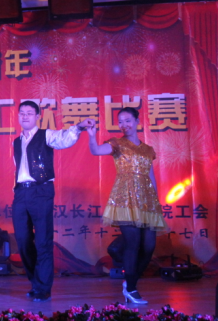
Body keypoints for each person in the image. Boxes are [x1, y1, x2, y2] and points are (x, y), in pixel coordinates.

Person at [12, 101, 94, 302]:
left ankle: (43, 287)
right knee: (22, 240)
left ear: (37, 116)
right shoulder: (16, 141)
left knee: (43, 240)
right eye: (22, 113)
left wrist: (79, 127)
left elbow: (64, 139)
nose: (25, 116)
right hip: (21, 193)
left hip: (41, 191)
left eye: (29, 113)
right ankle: (35, 281)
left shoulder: (46, 135)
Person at [85, 107, 168, 304]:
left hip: (147, 201)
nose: (124, 125)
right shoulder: (117, 143)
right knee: (133, 243)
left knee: (148, 246)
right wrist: (91, 135)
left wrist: (155, 203)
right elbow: (95, 150)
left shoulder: (148, 150)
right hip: (124, 199)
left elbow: (150, 176)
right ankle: (131, 289)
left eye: (128, 120)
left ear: (137, 121)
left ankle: (130, 283)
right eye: (121, 121)